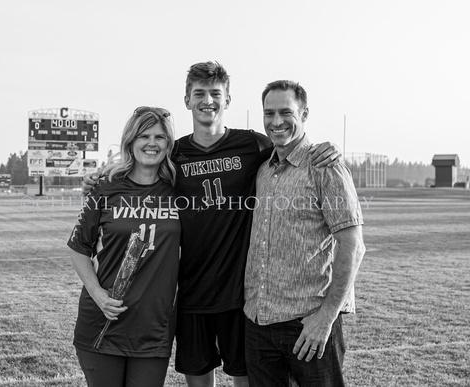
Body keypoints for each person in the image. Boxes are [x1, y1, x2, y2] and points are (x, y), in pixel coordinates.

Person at [83, 61, 341, 387]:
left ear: (228, 100)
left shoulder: (252, 145)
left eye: (215, 94)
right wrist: (102, 175)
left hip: (241, 299)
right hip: (191, 295)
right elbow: (137, 166)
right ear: (187, 100)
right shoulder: (173, 154)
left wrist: (324, 148)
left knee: (245, 379)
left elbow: (291, 145)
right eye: (200, 93)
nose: (208, 101)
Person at [243, 80, 366, 387]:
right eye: (268, 113)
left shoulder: (325, 166)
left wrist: (326, 317)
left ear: (305, 113)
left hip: (308, 323)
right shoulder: (263, 169)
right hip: (258, 322)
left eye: (286, 112)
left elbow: (353, 246)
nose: (276, 121)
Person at [67, 106, 181, 387]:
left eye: (160, 137)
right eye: (143, 136)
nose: (151, 143)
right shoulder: (106, 188)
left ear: (169, 144)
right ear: (130, 141)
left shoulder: (180, 190)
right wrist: (98, 295)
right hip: (104, 323)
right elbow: (79, 247)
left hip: (153, 328)